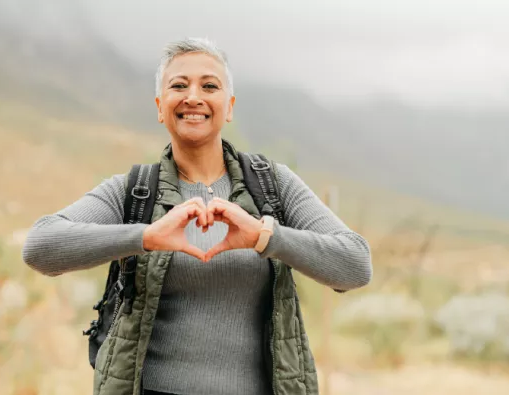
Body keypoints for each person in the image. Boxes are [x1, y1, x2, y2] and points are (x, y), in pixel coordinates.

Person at [22, 37, 372, 395]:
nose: (193, 97)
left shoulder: (273, 185)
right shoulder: (135, 190)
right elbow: (40, 246)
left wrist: (264, 237)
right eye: (178, 85)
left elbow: (356, 265)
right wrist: (145, 237)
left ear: (229, 106)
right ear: (160, 107)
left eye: (209, 85)